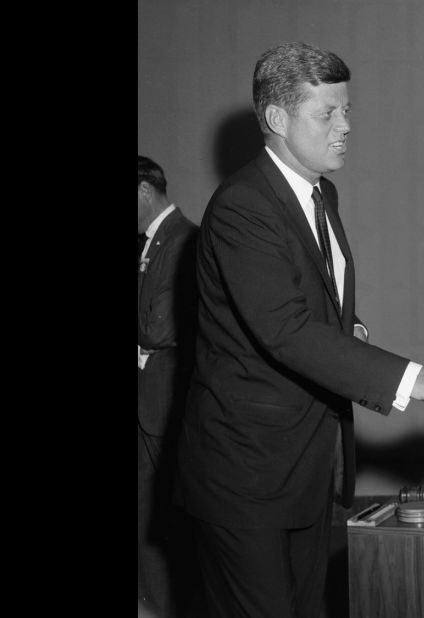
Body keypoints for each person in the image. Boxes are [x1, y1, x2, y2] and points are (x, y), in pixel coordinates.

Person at [175, 42, 424, 618]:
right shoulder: (243, 205)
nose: (346, 127)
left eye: (347, 111)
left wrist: (352, 333)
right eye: (328, 114)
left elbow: (317, 304)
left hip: (311, 469)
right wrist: (422, 381)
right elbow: (286, 330)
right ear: (276, 119)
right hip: (248, 478)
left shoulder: (320, 192)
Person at [138, 155, 200, 617]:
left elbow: (158, 330)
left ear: (143, 191)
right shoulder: (148, 244)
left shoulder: (184, 239)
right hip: (146, 401)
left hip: (163, 404)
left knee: (164, 517)